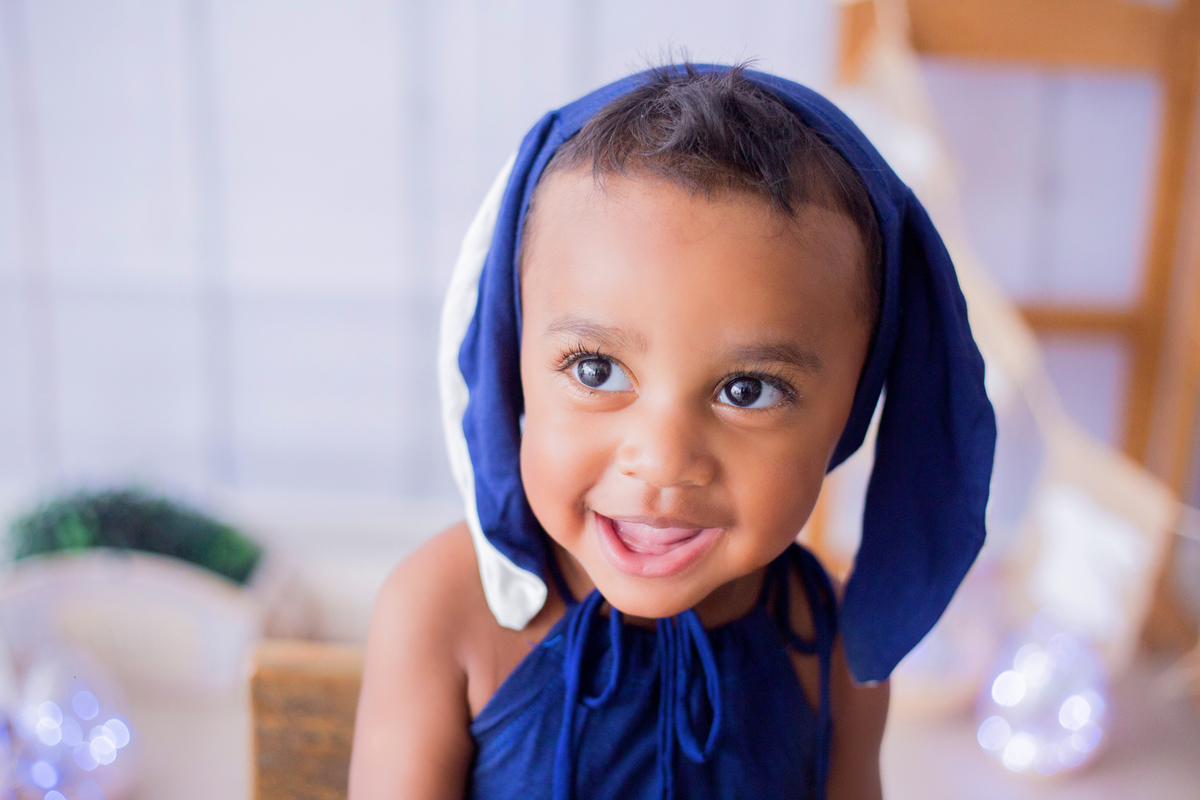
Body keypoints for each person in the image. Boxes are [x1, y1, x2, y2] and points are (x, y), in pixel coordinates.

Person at [348, 63, 995, 800]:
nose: (661, 460)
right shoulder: (443, 611)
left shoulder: (837, 647)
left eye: (746, 390)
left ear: (855, 404)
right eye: (595, 371)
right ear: (510, 360)